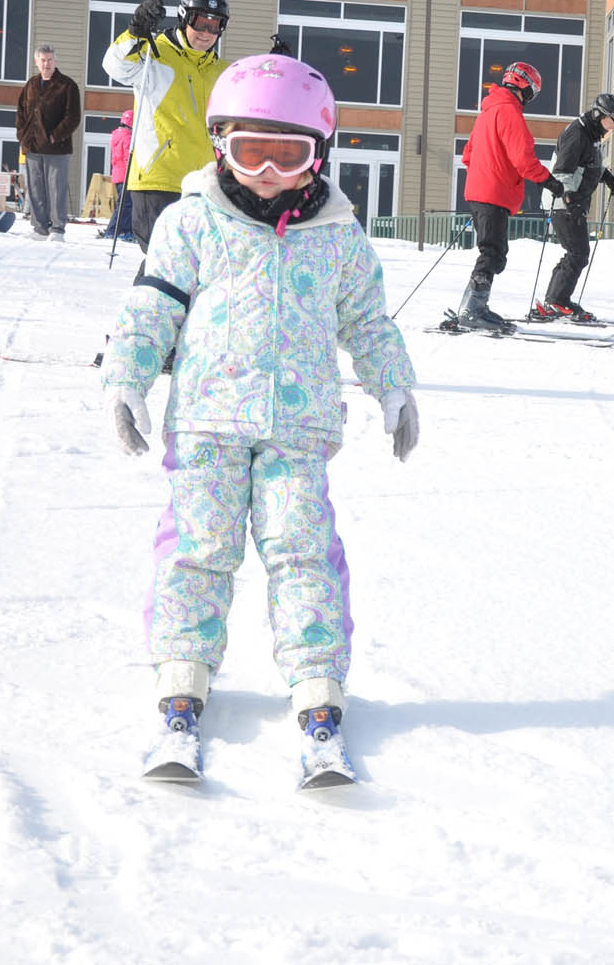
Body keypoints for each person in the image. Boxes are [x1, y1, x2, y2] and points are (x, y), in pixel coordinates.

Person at [99, 52, 420, 780]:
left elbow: (368, 321)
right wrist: (129, 379)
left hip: (298, 431)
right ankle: (182, 683)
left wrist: (393, 386)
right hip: (207, 423)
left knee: (302, 553)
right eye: (251, 152)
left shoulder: (338, 235)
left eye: (289, 154)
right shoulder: (190, 223)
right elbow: (153, 306)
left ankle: (317, 690)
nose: (268, 171)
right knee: (199, 549)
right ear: (220, 146)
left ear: (319, 156)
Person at [102, 0, 230, 251]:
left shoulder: (220, 70)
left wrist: (278, 70)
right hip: (158, 180)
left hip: (203, 184)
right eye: (200, 22)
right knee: (163, 263)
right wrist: (136, 32)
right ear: (184, 18)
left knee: (195, 268)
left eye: (215, 25)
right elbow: (115, 66)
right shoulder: (155, 54)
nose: (206, 33)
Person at [457, 62, 564, 331]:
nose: (532, 98)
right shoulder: (509, 112)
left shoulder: (487, 112)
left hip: (480, 191)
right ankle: (473, 310)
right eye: (533, 91)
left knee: (491, 252)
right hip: (494, 193)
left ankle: (471, 306)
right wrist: (548, 180)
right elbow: (523, 158)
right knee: (493, 254)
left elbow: (468, 155)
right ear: (525, 86)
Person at [532, 92, 614, 321]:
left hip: (571, 202)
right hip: (562, 202)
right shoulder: (577, 133)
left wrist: (607, 177)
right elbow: (563, 170)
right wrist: (569, 199)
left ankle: (555, 300)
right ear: (598, 115)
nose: (612, 128)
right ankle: (557, 301)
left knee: (576, 253)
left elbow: (588, 164)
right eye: (611, 123)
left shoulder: (590, 135)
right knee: (578, 252)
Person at [15, 44, 82, 242]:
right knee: (35, 188)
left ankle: (57, 229)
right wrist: (23, 136)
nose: (46, 64)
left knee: (56, 189)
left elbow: (73, 117)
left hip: (57, 149)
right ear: (36, 62)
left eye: (50, 60)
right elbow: (21, 113)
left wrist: (55, 136)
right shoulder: (31, 85)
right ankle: (39, 228)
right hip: (32, 147)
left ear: (55, 61)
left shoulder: (67, 86)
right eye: (43, 60)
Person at [98, 109, 136, 242]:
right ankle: (116, 230)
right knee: (126, 204)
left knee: (123, 203)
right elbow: (128, 157)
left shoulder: (116, 135)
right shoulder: (128, 137)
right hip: (126, 174)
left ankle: (117, 229)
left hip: (118, 174)